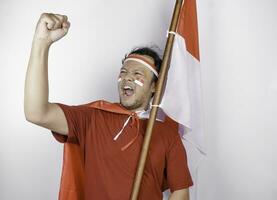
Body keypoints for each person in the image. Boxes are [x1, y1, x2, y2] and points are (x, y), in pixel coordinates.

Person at [24, 13, 193, 200]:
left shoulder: (168, 133)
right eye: (124, 72)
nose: (127, 77)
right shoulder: (93, 118)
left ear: (155, 86)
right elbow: (36, 113)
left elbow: (180, 191)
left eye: (137, 73)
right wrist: (42, 43)